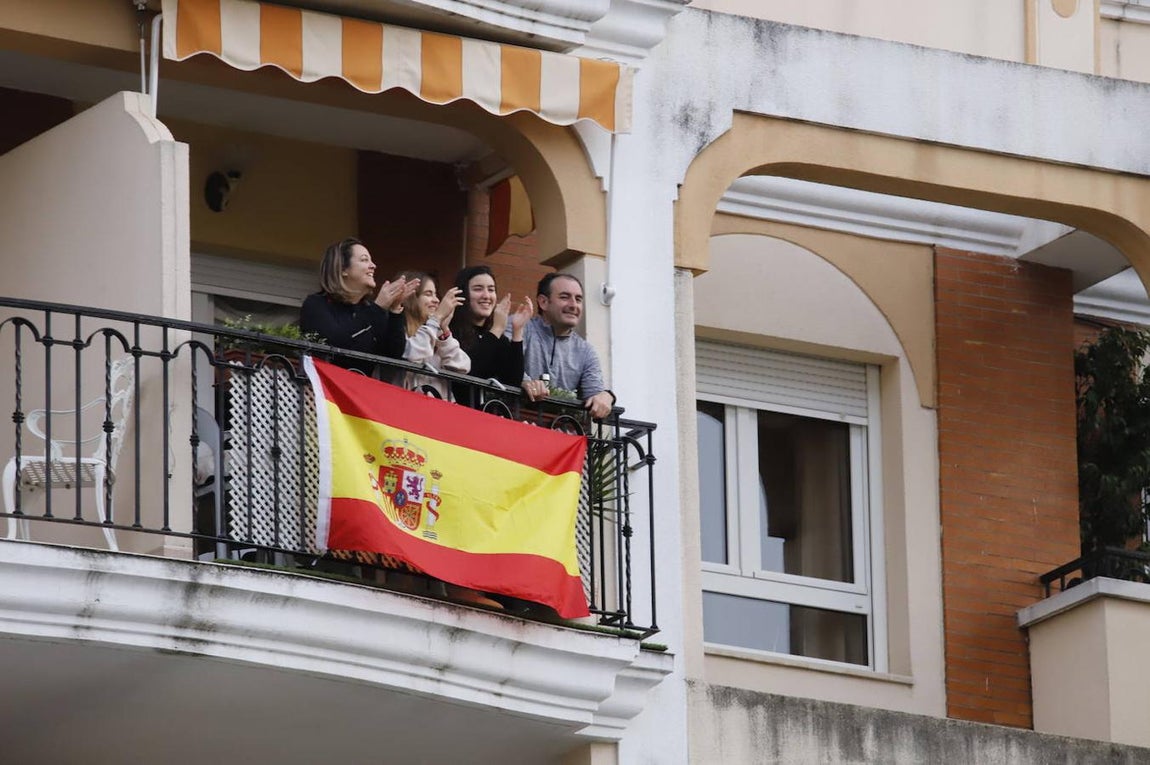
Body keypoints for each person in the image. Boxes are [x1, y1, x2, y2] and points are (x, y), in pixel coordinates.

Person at [299, 238, 418, 376]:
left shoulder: (369, 310)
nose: (373, 265)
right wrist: (378, 308)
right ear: (343, 269)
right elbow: (337, 342)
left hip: (359, 393)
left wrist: (395, 310)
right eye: (364, 260)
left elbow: (393, 354)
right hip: (326, 392)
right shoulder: (316, 304)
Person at [521, 273, 615, 419]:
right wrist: (524, 381)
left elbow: (594, 395)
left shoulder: (586, 351)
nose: (573, 305)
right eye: (564, 297)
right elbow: (502, 364)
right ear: (543, 302)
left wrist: (606, 396)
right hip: (513, 427)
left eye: (578, 299)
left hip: (562, 435)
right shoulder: (520, 327)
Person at [449, 265, 532, 402]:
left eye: (491, 290)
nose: (486, 296)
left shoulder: (497, 338)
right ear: (463, 293)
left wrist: (518, 331)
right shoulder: (450, 330)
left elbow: (512, 382)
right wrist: (497, 328)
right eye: (478, 289)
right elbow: (470, 372)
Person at [395, 271, 470, 400]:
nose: (436, 300)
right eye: (428, 294)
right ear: (412, 298)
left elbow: (463, 366)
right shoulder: (397, 330)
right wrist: (436, 319)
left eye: (435, 294)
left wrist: (443, 330)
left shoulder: (434, 333)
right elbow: (412, 354)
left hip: (438, 414)